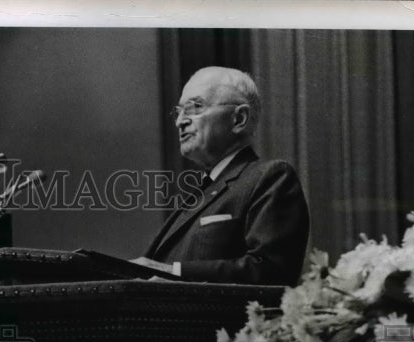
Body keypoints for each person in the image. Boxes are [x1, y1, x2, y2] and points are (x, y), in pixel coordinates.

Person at [133, 66, 310, 287]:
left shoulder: (270, 177)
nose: (180, 121)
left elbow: (270, 269)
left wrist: (176, 272)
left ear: (239, 119)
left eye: (195, 107)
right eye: (178, 112)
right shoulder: (202, 191)